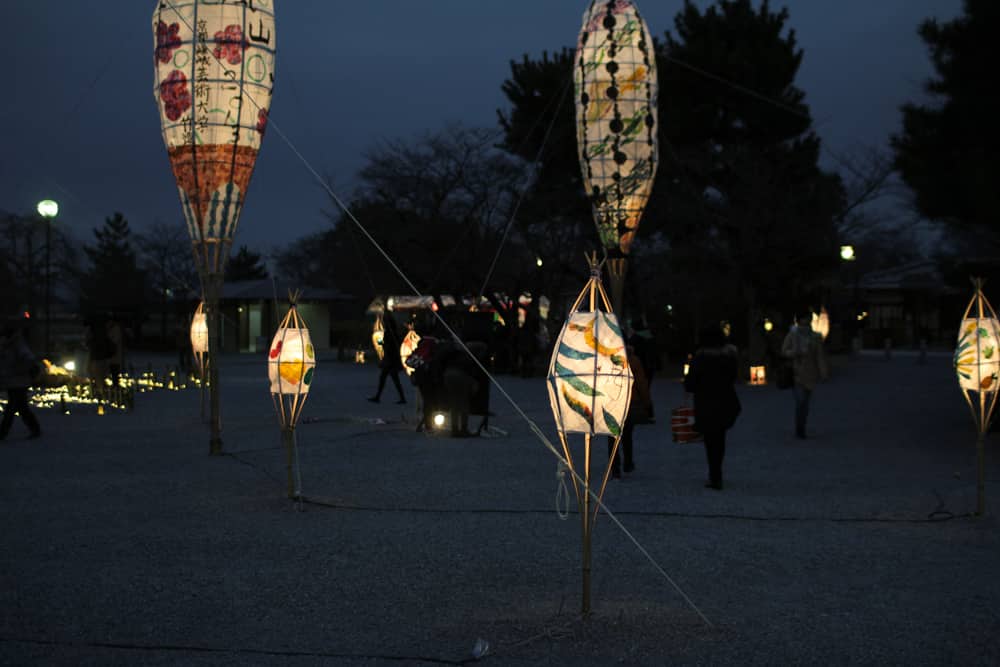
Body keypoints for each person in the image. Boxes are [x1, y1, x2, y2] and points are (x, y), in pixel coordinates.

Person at [684, 324, 741, 490]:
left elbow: (690, 384)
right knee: (720, 438)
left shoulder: (700, 357)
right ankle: (717, 473)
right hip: (724, 401)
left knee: (710, 440)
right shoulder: (728, 357)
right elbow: (733, 377)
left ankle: (714, 474)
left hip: (705, 402)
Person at [781, 311, 828, 439]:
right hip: (796, 372)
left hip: (810, 372)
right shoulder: (793, 334)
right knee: (800, 401)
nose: (806, 321)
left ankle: (802, 425)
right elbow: (784, 351)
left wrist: (823, 372)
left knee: (805, 402)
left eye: (807, 319)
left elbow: (819, 356)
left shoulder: (815, 336)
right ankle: (799, 428)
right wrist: (795, 352)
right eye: (803, 319)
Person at [608, 345, 651, 477]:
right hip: (629, 401)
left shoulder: (607, 359)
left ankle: (614, 467)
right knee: (627, 434)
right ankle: (628, 462)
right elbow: (641, 382)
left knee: (612, 437)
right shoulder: (633, 360)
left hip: (611, 402)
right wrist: (646, 401)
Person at [0, 322, 42, 441]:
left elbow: (28, 361)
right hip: (14, 381)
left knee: (12, 407)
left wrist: (18, 370)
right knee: (21, 407)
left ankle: (3, 432)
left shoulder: (17, 345)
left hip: (18, 381)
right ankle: (34, 428)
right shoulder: (8, 345)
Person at [367, 313, 406, 404]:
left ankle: (379, 397)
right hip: (390, 358)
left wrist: (382, 343)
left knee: (388, 378)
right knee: (388, 378)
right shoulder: (390, 332)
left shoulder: (391, 333)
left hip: (391, 359)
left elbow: (390, 346)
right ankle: (379, 396)